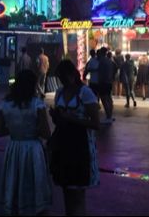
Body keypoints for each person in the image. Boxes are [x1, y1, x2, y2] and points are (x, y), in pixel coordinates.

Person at [0, 69, 52, 215]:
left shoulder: (5, 104)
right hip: (33, 148)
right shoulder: (37, 104)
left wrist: (15, 129)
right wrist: (31, 129)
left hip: (14, 147)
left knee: (14, 180)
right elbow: (46, 133)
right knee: (34, 182)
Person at [50, 60, 100, 216]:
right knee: (66, 189)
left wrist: (69, 118)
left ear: (72, 75)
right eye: (60, 78)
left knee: (77, 192)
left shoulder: (85, 93)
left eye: (64, 77)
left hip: (81, 145)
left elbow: (95, 123)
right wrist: (56, 116)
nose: (63, 81)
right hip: (63, 144)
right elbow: (58, 121)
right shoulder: (59, 92)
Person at [96, 48, 114, 123]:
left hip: (103, 82)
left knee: (104, 99)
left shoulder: (102, 61)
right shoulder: (109, 61)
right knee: (109, 98)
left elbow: (101, 73)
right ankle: (110, 115)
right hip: (109, 82)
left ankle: (108, 116)